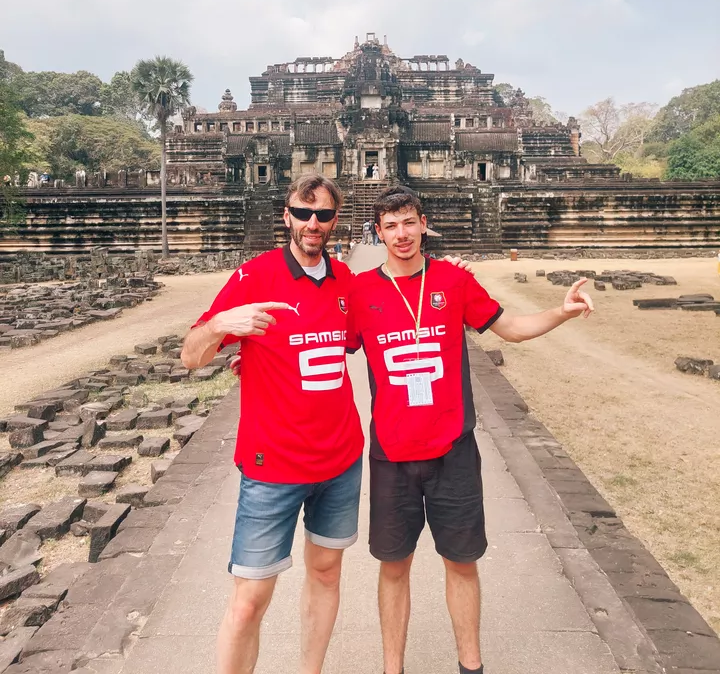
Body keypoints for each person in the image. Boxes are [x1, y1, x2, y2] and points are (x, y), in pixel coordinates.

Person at [347, 186, 594, 674]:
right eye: (390, 225)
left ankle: (471, 666)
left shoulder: (452, 280)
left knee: (461, 562)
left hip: (453, 451)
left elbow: (511, 328)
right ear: (378, 232)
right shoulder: (361, 292)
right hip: (392, 453)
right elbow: (321, 344)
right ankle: (392, 668)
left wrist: (561, 312)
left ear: (424, 225)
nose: (401, 234)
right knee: (393, 567)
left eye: (409, 222)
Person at [181, 174, 363, 674]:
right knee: (248, 601)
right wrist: (221, 325)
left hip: (340, 460)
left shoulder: (345, 281)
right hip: (272, 465)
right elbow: (190, 356)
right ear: (286, 216)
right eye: (302, 213)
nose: (312, 223)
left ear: (334, 220)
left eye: (323, 214)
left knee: (326, 574)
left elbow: (373, 328)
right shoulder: (254, 277)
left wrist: (447, 272)